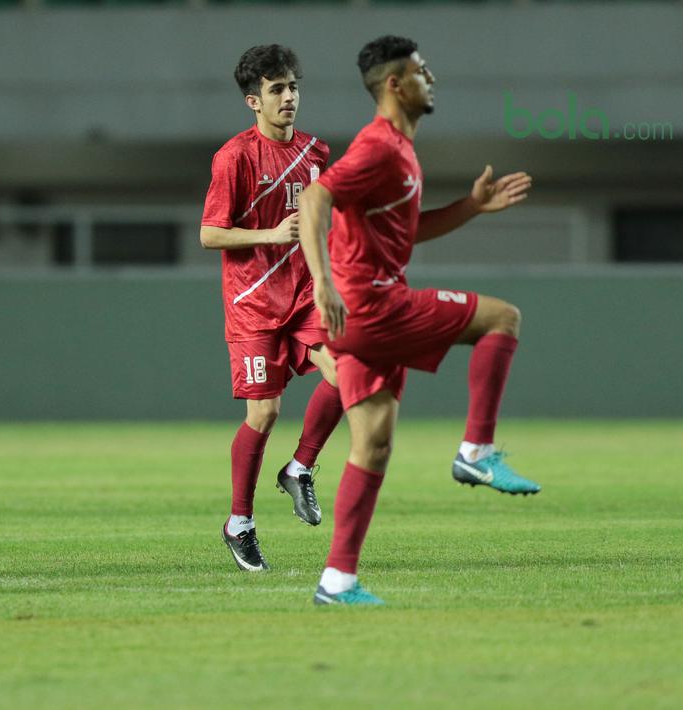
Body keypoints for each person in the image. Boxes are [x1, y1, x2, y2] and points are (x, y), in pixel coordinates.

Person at [297, 36, 541, 605]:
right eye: (421, 71)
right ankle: (476, 453)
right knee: (502, 318)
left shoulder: (401, 151)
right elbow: (314, 199)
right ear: (394, 84)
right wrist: (322, 282)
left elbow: (406, 232)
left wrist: (471, 208)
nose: (432, 78)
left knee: (373, 445)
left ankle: (338, 580)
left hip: (360, 318)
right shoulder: (378, 147)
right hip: (372, 305)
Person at [201, 45, 345, 572]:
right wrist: (268, 233)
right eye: (277, 90)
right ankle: (239, 522)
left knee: (349, 370)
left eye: (293, 87)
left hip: (303, 294)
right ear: (252, 101)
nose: (289, 98)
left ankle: (300, 467)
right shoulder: (234, 157)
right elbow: (209, 233)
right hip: (252, 302)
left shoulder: (315, 153)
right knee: (264, 412)